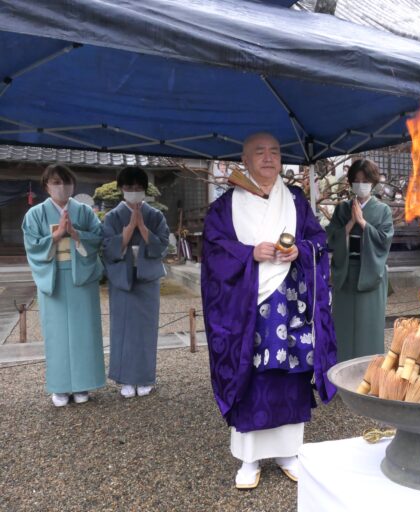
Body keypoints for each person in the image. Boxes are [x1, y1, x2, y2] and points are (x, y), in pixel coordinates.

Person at [201, 132, 336, 489]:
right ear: (244, 160)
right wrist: (249, 254)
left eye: (274, 152)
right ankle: (249, 458)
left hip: (292, 302)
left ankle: (289, 452)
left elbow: (319, 240)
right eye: (259, 152)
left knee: (291, 376)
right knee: (253, 376)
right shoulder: (225, 206)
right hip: (250, 309)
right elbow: (214, 252)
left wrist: (301, 251)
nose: (268, 158)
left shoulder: (295, 200)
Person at [22, 164, 105, 406]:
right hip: (53, 277)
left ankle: (82, 385)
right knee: (56, 336)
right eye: (56, 182)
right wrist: (56, 236)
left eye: (66, 182)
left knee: (84, 333)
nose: (62, 187)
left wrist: (76, 234)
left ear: (73, 185)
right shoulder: (35, 214)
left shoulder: (85, 212)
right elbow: (32, 246)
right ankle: (59, 387)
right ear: (46, 185)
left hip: (82, 277)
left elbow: (98, 239)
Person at [101, 167, 170, 399]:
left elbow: (162, 246)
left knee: (146, 330)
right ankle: (125, 380)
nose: (133, 191)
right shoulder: (112, 216)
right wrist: (129, 229)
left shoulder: (155, 215)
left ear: (145, 190)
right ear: (121, 189)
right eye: (129, 188)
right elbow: (108, 249)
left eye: (138, 188)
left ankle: (145, 378)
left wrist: (142, 227)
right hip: (123, 277)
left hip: (147, 277)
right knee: (122, 329)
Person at [326, 159, 394, 361]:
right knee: (343, 326)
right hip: (346, 271)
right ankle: (340, 375)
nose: (360, 184)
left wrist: (363, 223)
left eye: (364, 180)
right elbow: (332, 238)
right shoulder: (342, 209)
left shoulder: (383, 210)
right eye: (356, 180)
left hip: (370, 272)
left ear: (372, 182)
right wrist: (350, 223)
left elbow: (384, 240)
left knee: (368, 327)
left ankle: (368, 374)